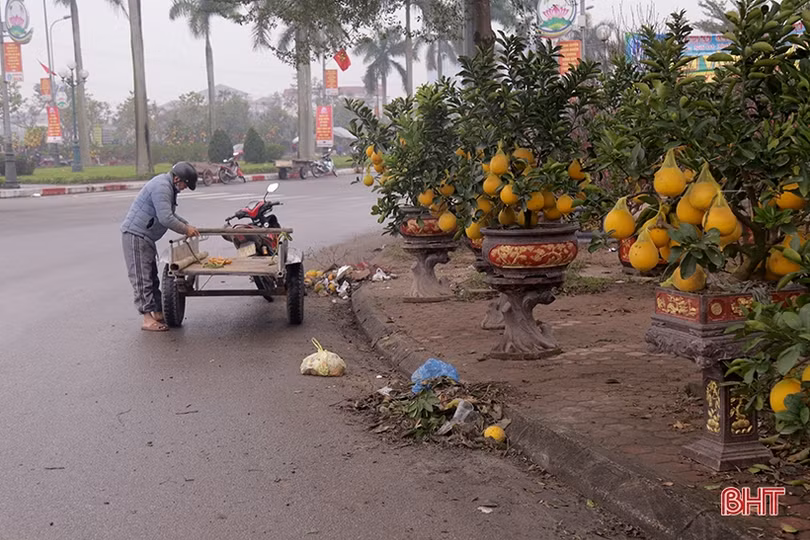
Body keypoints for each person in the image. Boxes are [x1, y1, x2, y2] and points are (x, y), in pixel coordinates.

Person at [120, 162, 200, 332]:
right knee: (142, 278)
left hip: (146, 237)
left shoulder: (168, 186)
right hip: (136, 235)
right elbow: (165, 218)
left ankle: (157, 313)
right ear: (177, 178)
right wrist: (186, 229)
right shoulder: (162, 186)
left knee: (152, 276)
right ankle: (147, 319)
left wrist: (187, 224)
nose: (185, 188)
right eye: (185, 184)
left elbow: (169, 213)